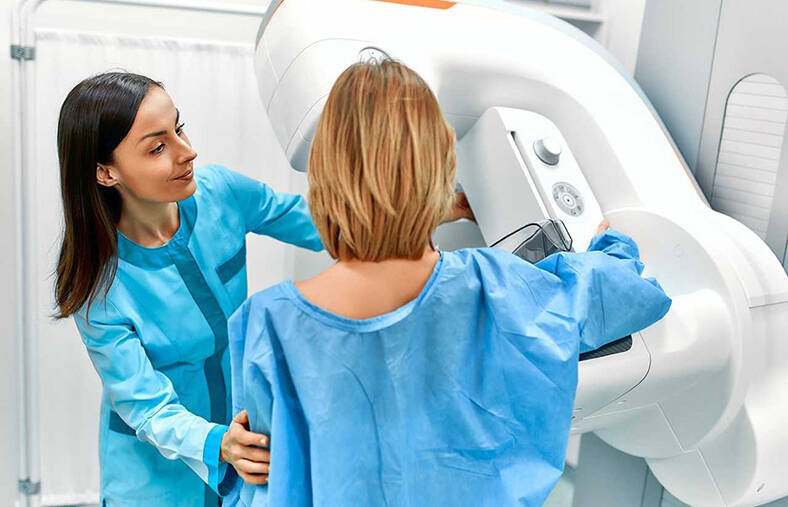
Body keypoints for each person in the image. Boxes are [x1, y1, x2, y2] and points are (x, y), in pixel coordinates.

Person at [224, 60, 672, 506]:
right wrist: (609, 245)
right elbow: (626, 293)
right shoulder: (496, 286)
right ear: (438, 167)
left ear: (324, 174)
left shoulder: (268, 325)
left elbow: (265, 484)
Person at [54, 71, 323, 506]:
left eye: (178, 128)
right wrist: (221, 443)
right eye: (158, 147)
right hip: (154, 480)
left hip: (239, 444)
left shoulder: (221, 194)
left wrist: (429, 208)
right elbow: (148, 407)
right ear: (106, 172)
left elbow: (317, 220)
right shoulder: (98, 288)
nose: (188, 152)